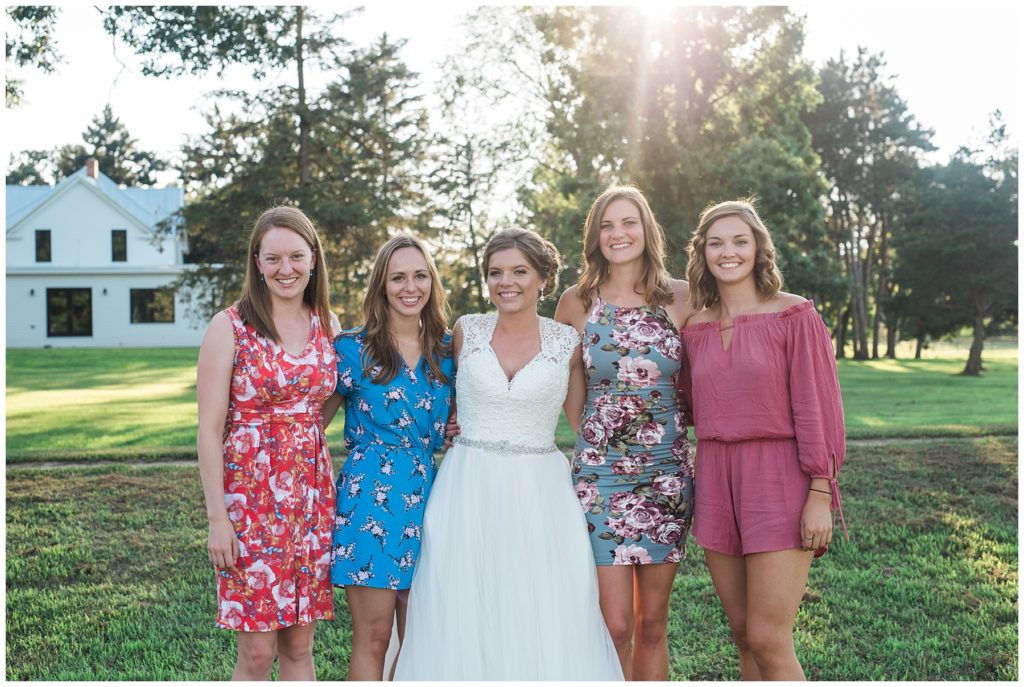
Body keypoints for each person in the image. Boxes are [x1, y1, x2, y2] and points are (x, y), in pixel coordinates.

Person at [394, 228, 623, 680]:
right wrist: (445, 424)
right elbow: (437, 395)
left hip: (540, 493)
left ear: (543, 278)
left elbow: (583, 421)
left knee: (541, 605)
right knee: (461, 602)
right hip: (467, 485)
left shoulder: (567, 342)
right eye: (496, 273)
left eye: (519, 271)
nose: (506, 282)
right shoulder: (466, 330)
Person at [681, 198, 846, 680]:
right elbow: (686, 403)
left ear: (758, 248)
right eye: (716, 243)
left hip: (779, 477)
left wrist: (820, 492)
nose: (728, 252)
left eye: (740, 241)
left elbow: (818, 408)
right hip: (715, 477)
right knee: (742, 634)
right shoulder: (694, 327)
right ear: (703, 252)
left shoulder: (793, 314)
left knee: (769, 638)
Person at [555, 185, 696, 680]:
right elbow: (569, 385)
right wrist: (599, 439)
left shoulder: (681, 297)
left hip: (666, 476)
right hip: (600, 477)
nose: (618, 234)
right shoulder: (576, 301)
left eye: (628, 222)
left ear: (646, 229)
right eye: (607, 225)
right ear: (595, 236)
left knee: (651, 624)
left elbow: (704, 376)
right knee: (613, 625)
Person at [196, 205, 341, 680]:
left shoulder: (327, 324)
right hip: (249, 505)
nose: (286, 269)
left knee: (299, 646)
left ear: (313, 258)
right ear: (257, 262)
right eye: (273, 258)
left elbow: (326, 405)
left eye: (296, 256)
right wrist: (218, 519)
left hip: (311, 502)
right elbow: (209, 430)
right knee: (257, 653)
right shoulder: (230, 326)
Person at [321, 234, 454, 680]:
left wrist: (456, 426)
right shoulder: (351, 349)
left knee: (423, 640)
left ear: (432, 282)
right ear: (381, 284)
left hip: (432, 501)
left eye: (419, 276)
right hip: (370, 504)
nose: (409, 287)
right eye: (398, 278)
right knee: (374, 638)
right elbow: (310, 424)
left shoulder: (448, 351)